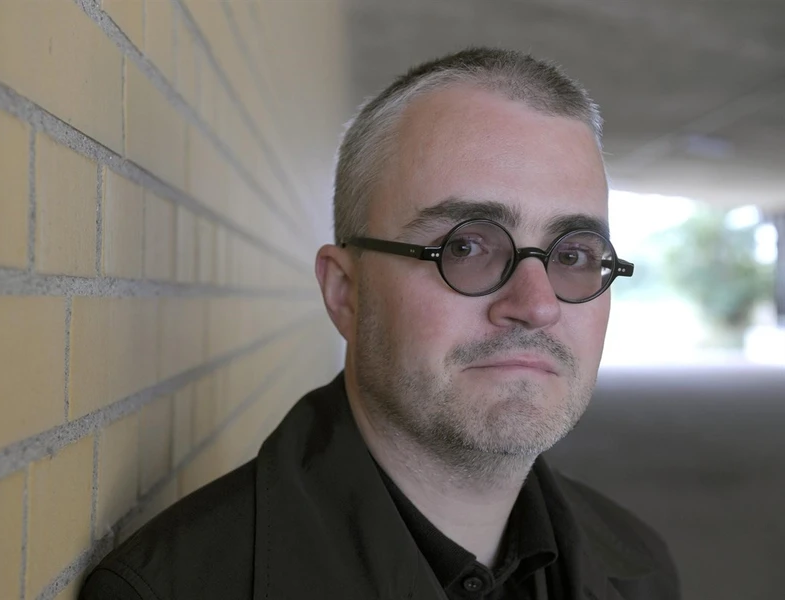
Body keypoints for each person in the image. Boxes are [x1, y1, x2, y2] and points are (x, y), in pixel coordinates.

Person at [80, 47, 680, 600]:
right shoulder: (168, 590)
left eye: (572, 255)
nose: (537, 304)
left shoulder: (641, 567)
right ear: (346, 292)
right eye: (465, 247)